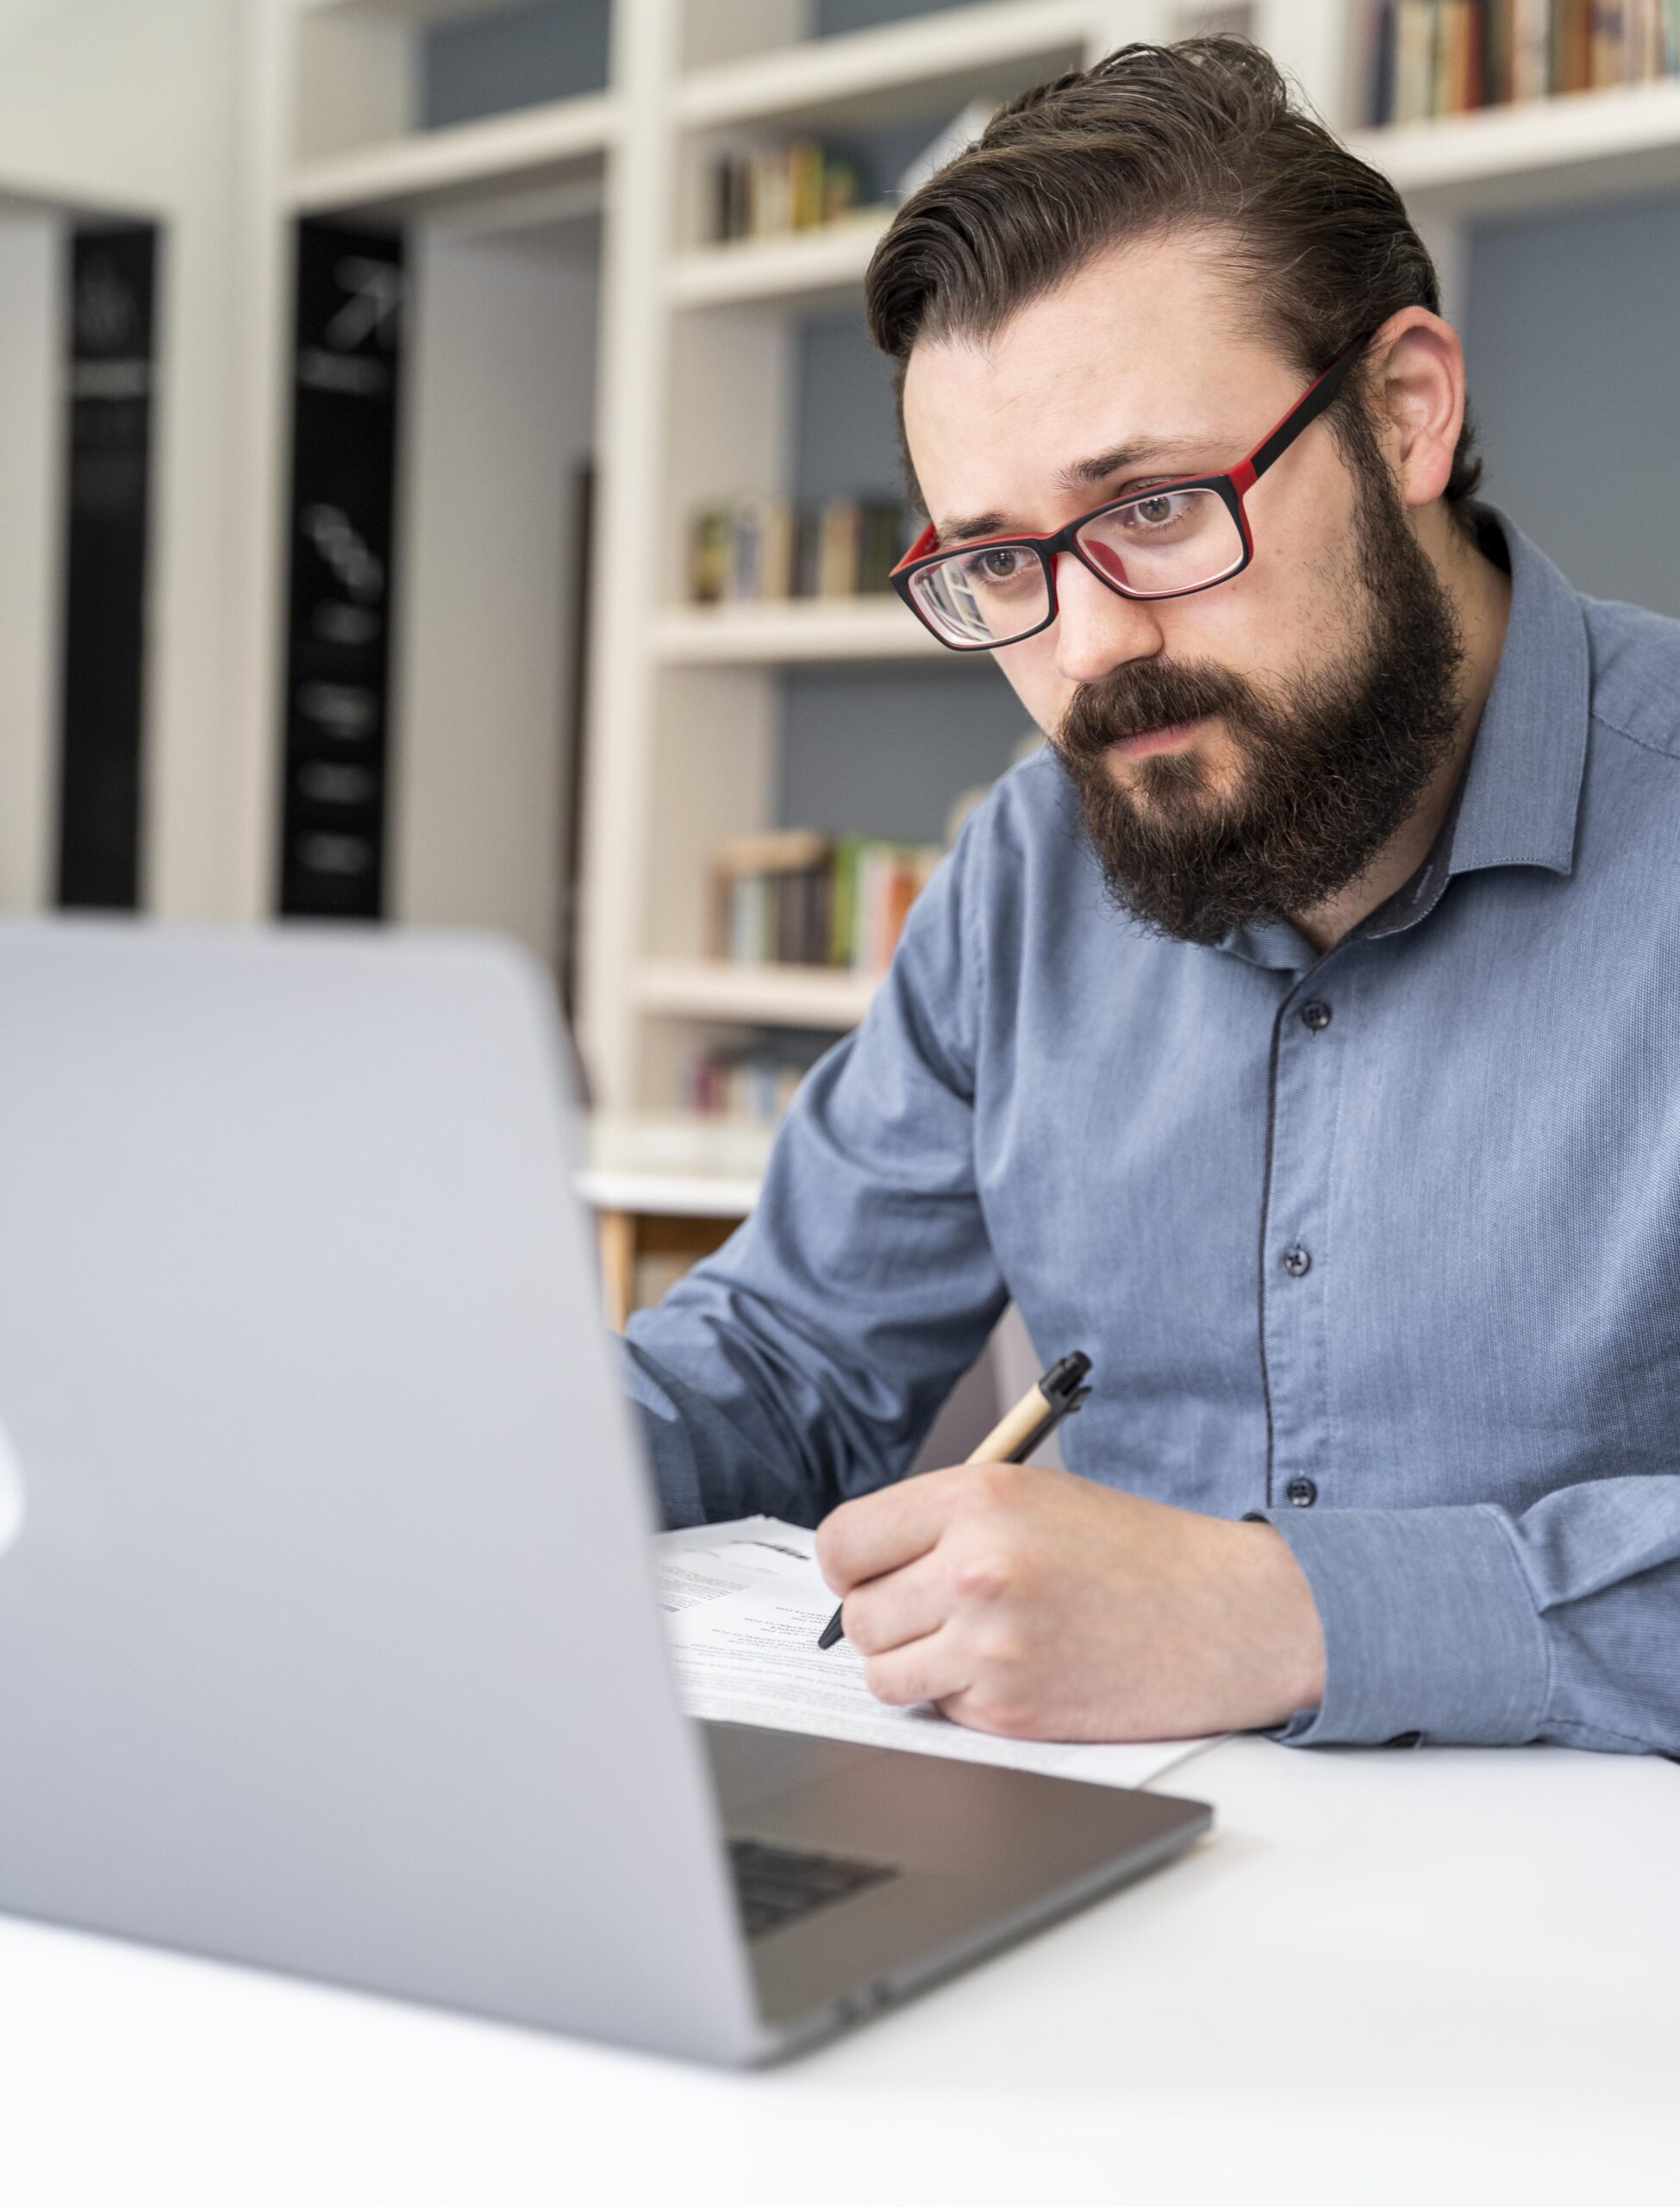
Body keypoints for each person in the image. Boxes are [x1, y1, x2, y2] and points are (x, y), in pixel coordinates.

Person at [624, 37, 1680, 1756]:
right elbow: (794, 1355)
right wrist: (464, 1461)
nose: (1088, 647)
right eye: (998, 562)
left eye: (1157, 508)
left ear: (1405, 412)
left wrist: (1287, 1611)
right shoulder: (1024, 865)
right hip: (1082, 1877)